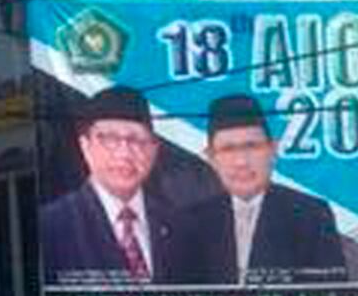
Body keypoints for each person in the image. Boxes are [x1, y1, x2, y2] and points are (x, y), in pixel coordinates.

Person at [40, 87, 222, 285]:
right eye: (110, 139)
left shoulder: (182, 228)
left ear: (154, 150)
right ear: (85, 146)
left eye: (136, 140)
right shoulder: (51, 226)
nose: (125, 153)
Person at [201, 93, 358, 283]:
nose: (241, 162)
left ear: (273, 150)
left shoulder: (311, 216)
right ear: (211, 158)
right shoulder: (189, 221)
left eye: (252, 146)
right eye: (228, 149)